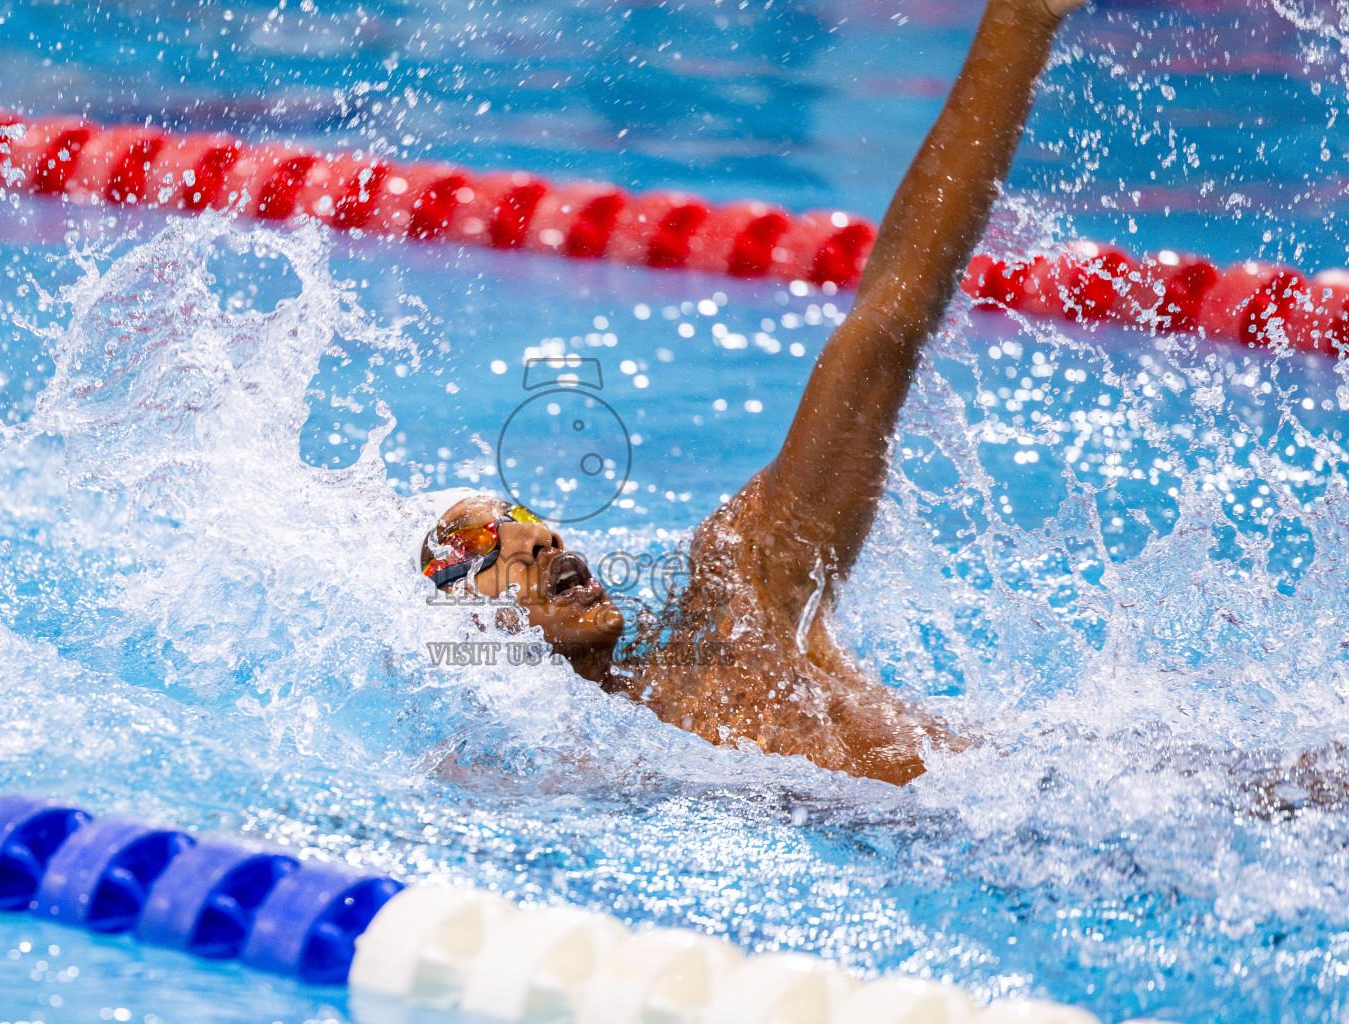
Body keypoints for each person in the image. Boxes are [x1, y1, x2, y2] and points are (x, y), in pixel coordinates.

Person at [418, 0, 1089, 786]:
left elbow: (884, 326)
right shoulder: (577, 770)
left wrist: (1018, 22)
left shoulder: (737, 599)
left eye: (525, 520)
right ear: (472, 625)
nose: (544, 542)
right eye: (493, 549)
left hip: (1086, 806)